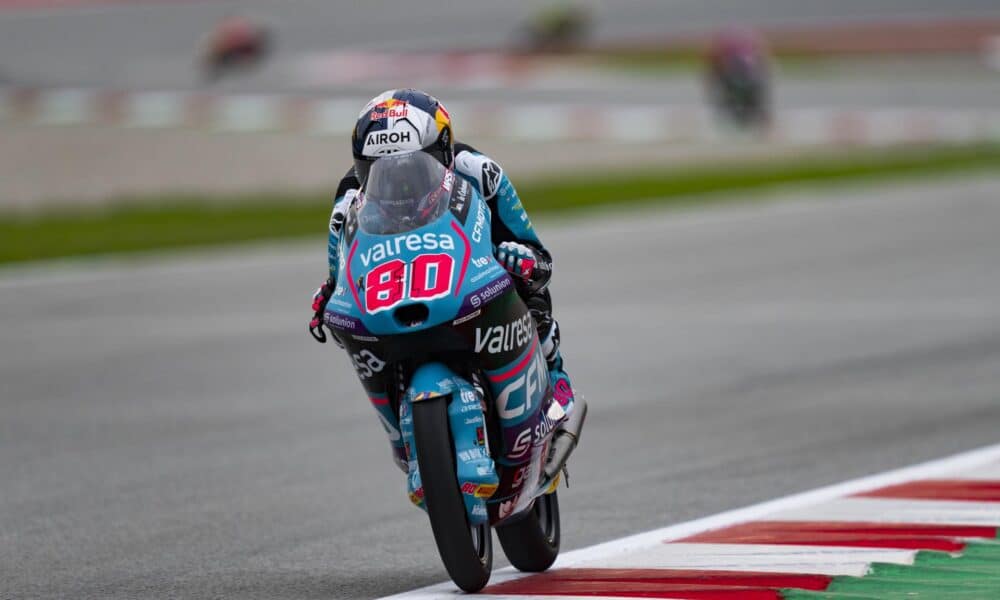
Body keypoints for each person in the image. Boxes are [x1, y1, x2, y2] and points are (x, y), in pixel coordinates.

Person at [309, 88, 577, 467]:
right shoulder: (349, 197)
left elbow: (535, 250)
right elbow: (340, 268)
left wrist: (524, 259)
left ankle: (556, 374)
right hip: (400, 278)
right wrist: (330, 293)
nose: (399, 186)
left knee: (527, 282)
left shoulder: (480, 171)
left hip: (472, 264)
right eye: (378, 172)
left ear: (443, 153)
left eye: (412, 168)